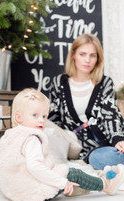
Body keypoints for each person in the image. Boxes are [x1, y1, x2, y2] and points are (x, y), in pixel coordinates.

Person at [0, 88, 124, 201]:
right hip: (32, 192)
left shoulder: (10, 136)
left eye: (44, 116)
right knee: (73, 173)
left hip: (14, 190)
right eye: (35, 115)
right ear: (19, 117)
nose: (41, 120)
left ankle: (78, 188)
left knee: (58, 169)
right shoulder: (32, 138)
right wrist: (62, 182)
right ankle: (105, 184)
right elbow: (35, 167)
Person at [49, 33, 124, 170]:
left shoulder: (105, 82)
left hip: (105, 144)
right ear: (73, 55)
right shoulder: (59, 83)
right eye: (82, 54)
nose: (87, 60)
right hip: (79, 148)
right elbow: (53, 120)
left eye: (92, 55)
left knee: (108, 156)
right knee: (101, 158)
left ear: (98, 59)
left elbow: (111, 114)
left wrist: (118, 139)